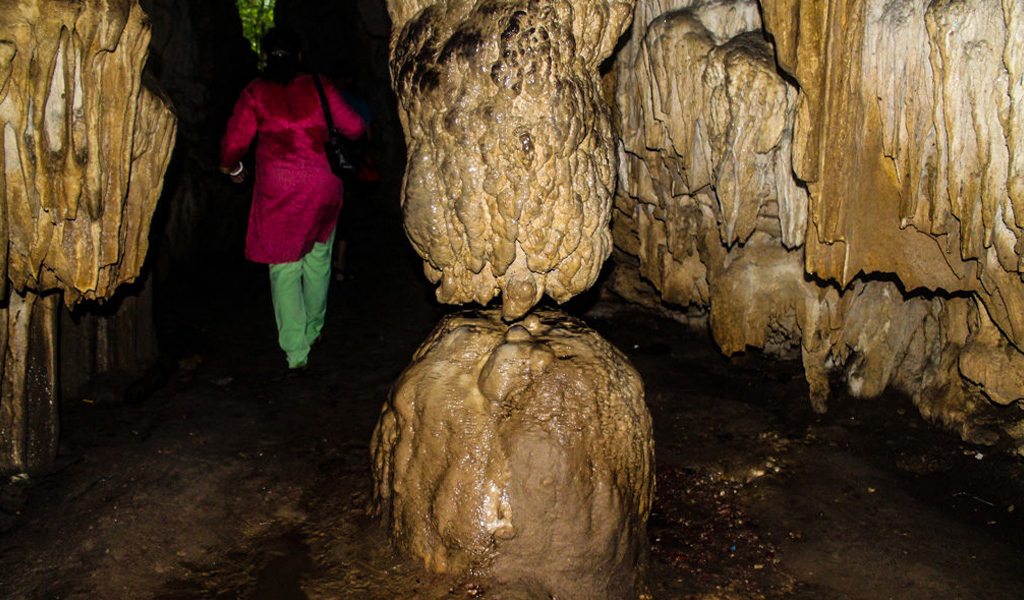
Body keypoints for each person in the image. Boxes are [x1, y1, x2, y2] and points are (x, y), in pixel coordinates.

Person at [219, 28, 365, 372]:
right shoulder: (319, 85)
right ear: (300, 55)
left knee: (285, 269)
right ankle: (314, 331)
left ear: (266, 56)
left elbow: (232, 143)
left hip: (279, 193)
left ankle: (296, 352)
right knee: (318, 262)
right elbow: (355, 127)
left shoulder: (256, 92)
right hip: (323, 188)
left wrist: (232, 167)